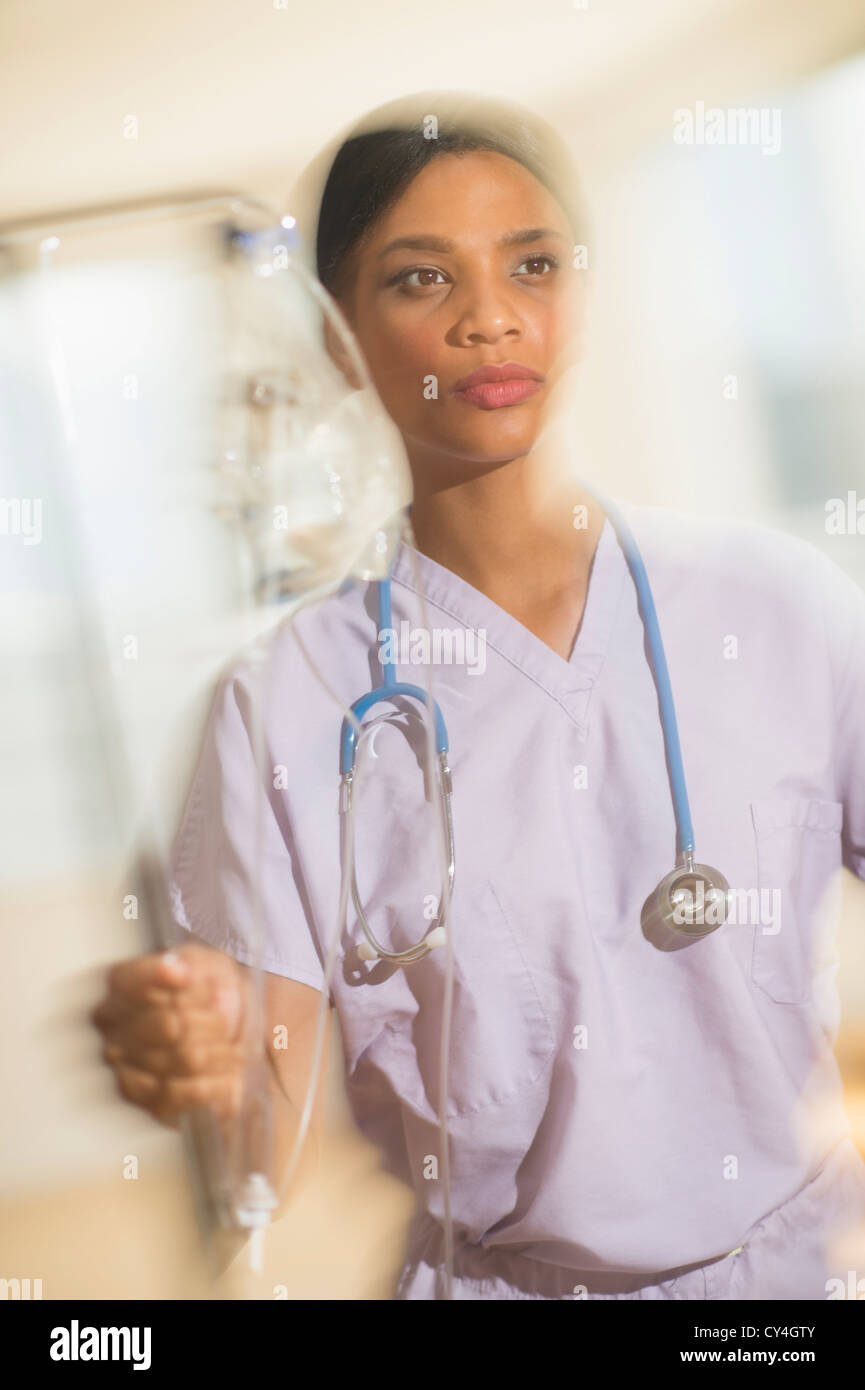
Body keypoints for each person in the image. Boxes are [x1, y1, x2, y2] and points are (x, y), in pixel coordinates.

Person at [92, 90, 865, 1300]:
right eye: (419, 279)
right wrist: (193, 1067)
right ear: (336, 334)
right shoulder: (280, 706)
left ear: (582, 294)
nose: (492, 319)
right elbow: (255, 1138)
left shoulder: (778, 606)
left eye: (533, 263)